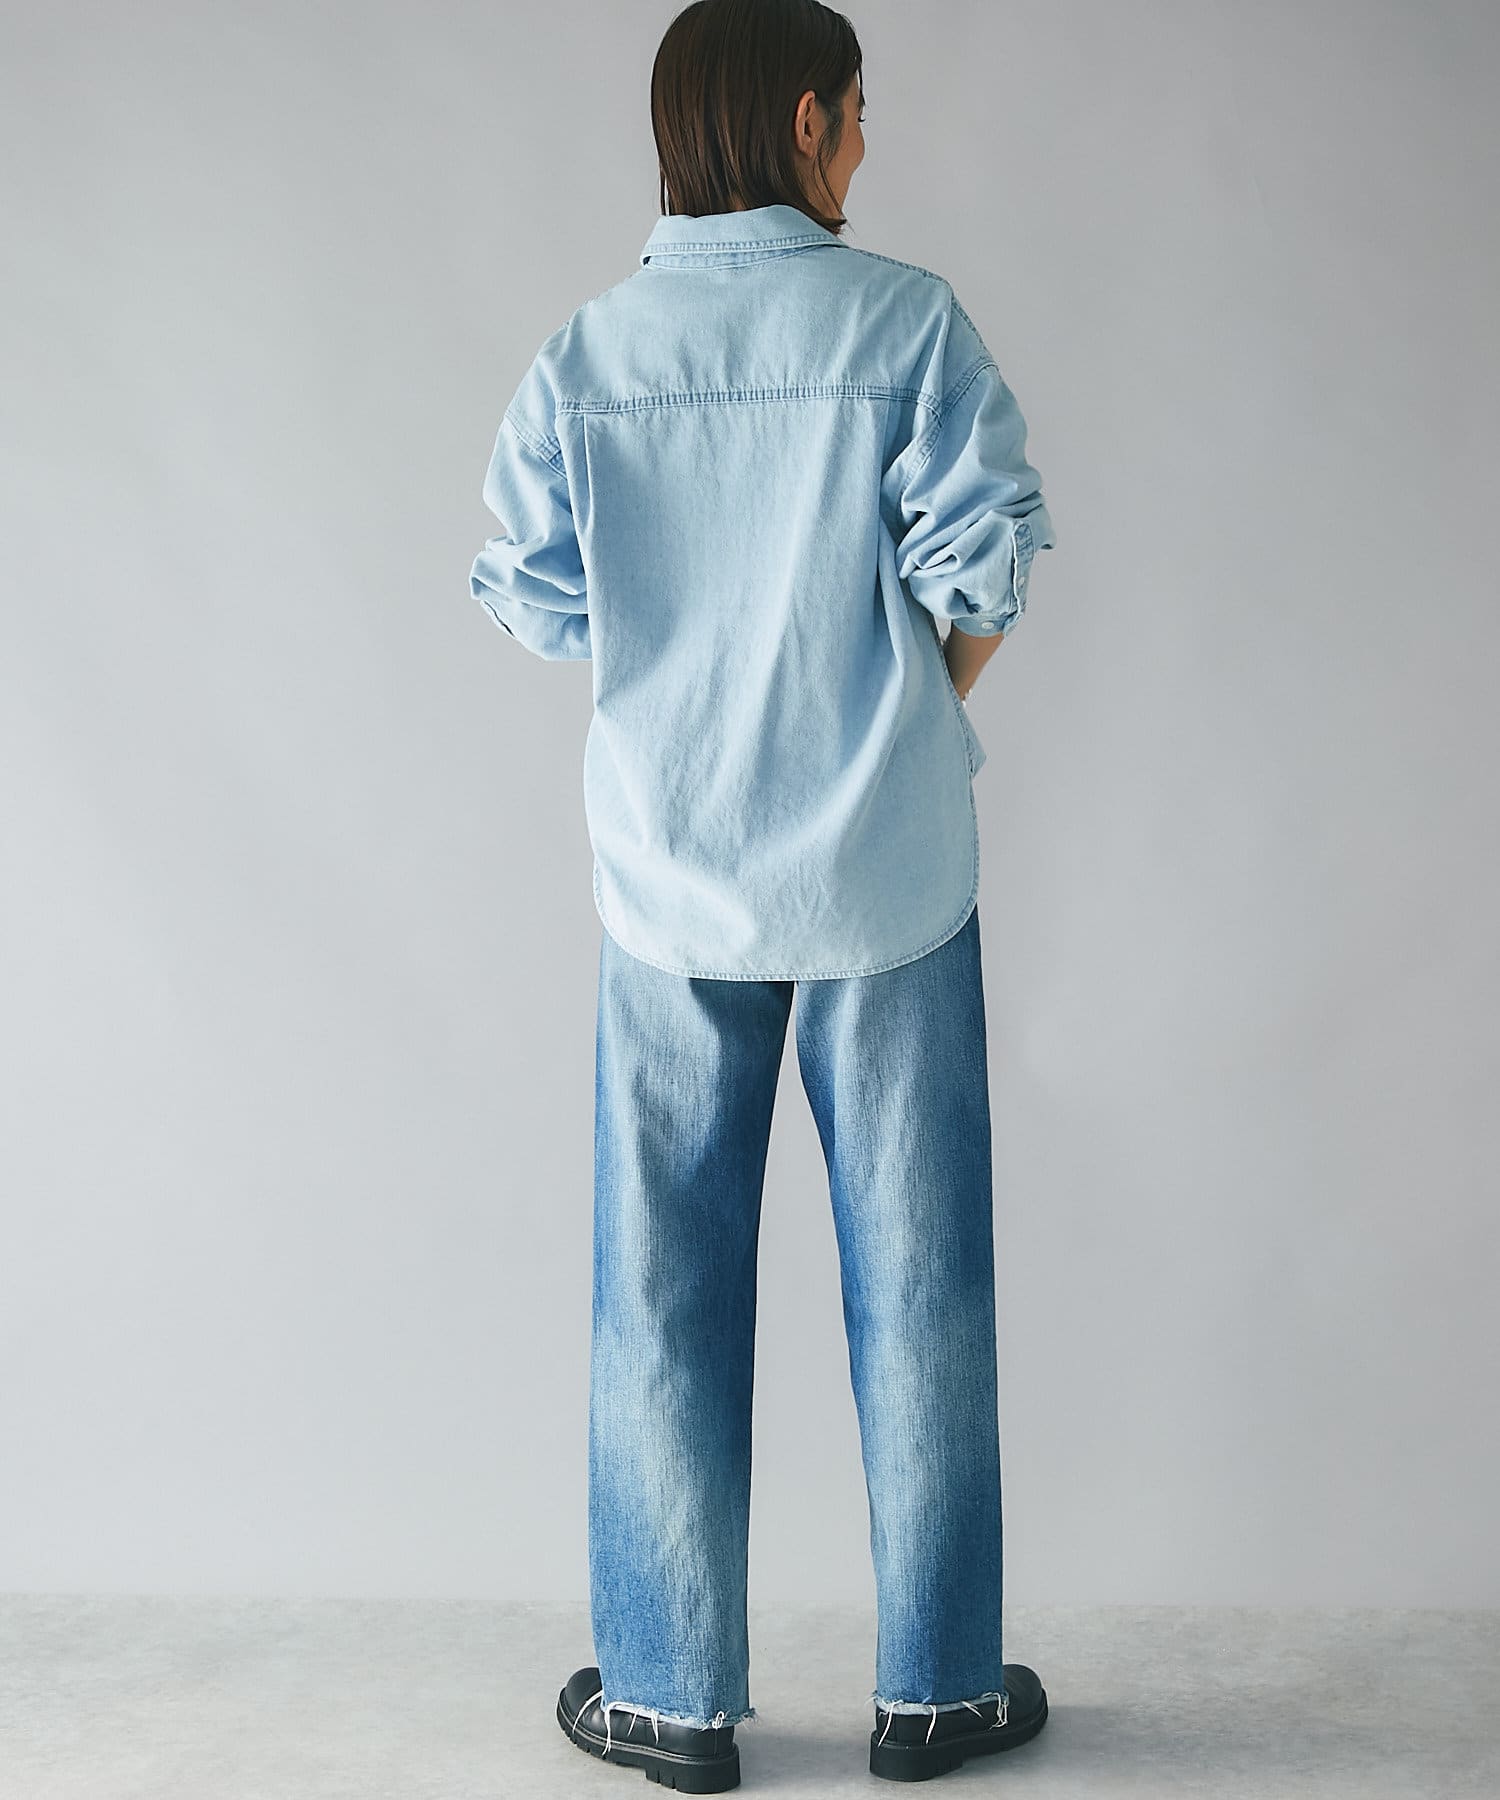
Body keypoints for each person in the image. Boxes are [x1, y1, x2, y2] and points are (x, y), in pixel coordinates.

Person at [468, 0, 1055, 1786]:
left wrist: (679, 661)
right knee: (924, 1290)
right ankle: (937, 1694)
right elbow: (987, 564)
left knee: (660, 1287)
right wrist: (894, 711)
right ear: (805, 120)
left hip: (673, 878)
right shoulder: (907, 323)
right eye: (859, 111)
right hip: (889, 872)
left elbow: (532, 597)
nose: (868, 142)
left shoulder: (588, 355)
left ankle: (666, 1699)